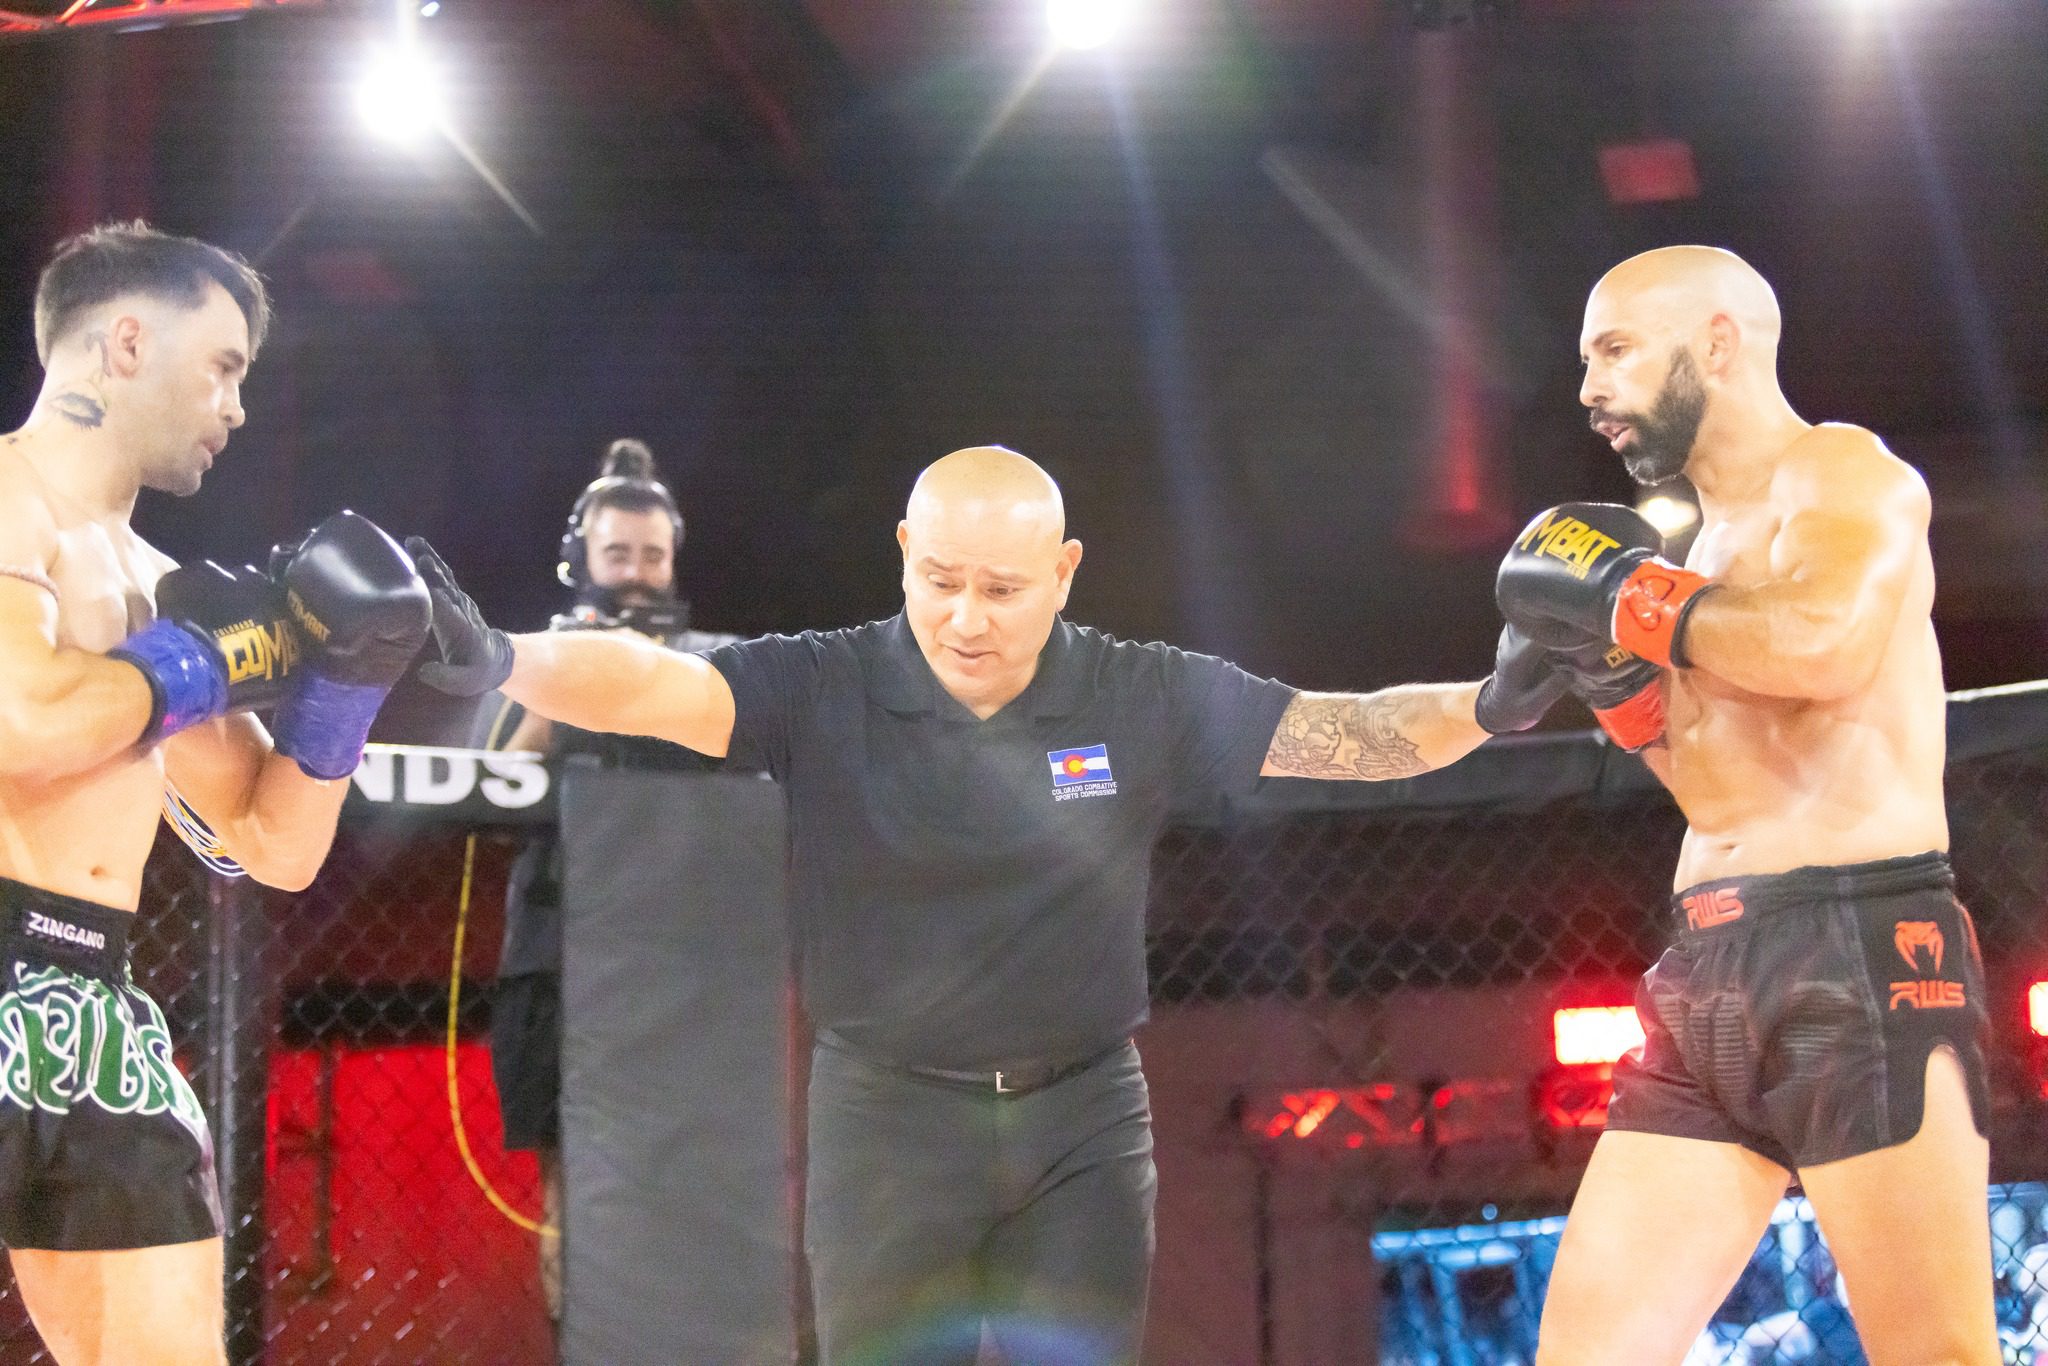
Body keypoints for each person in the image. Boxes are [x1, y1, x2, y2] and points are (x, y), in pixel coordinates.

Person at [400, 442, 1612, 1364]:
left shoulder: (1137, 693)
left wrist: (1490, 704)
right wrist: (499, 654)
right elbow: (645, 683)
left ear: (1063, 572)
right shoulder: (824, 684)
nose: (965, 618)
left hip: (1081, 1118)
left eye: (1000, 587)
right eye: (938, 581)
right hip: (883, 1118)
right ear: (901, 553)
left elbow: (1341, 730)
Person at [1496, 246, 1996, 1362]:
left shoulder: (1839, 472)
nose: (1589, 389)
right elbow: (1717, 791)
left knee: (1938, 1354)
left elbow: (1821, 642)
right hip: (1707, 968)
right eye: (1585, 361)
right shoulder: (1696, 551)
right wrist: (1616, 687)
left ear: (1715, 344)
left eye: (1615, 351)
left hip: (1856, 951)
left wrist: (1624, 599)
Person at [0, 221, 429, 1364]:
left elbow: (270, 843)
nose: (236, 407)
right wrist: (204, 662)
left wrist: (342, 688)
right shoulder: (6, 497)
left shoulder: (163, 589)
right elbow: (23, 724)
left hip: (82, 997)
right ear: (126, 342)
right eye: (224, 366)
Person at [486, 438, 741, 1328]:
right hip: (562, 960)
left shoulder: (715, 660)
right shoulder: (542, 658)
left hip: (689, 970)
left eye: (652, 557)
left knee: (699, 1191)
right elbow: (490, 781)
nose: (636, 574)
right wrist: (573, 669)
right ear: (581, 562)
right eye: (618, 555)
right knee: (578, 1192)